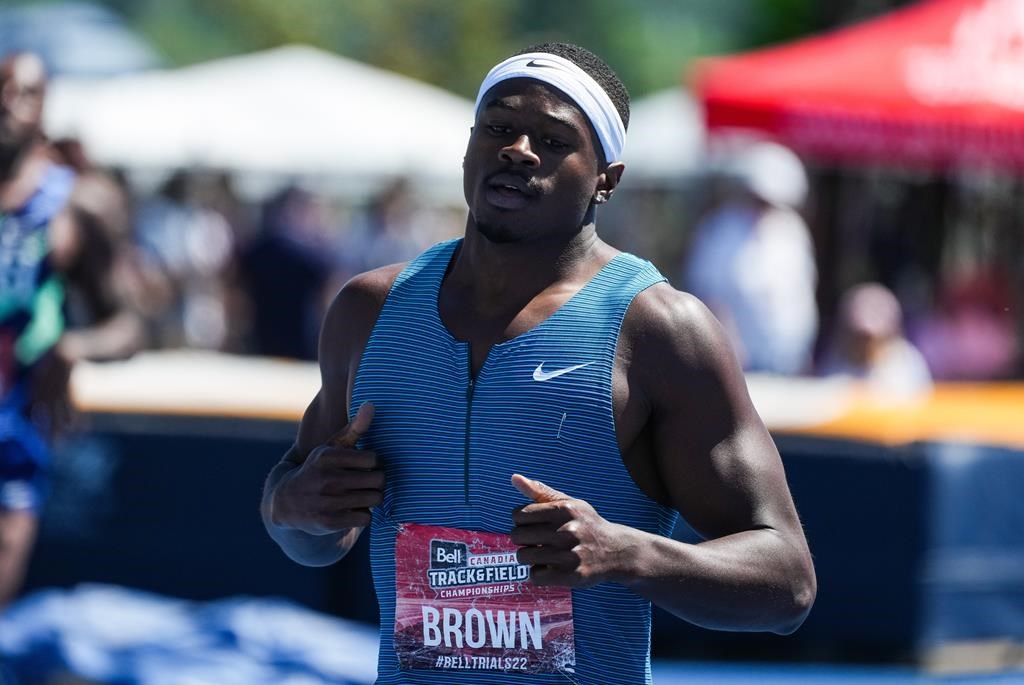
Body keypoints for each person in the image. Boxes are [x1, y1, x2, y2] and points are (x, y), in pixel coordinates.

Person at [262, 43, 815, 684]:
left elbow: (788, 584)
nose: (519, 149)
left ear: (607, 178)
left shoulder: (660, 330)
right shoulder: (369, 311)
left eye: (553, 140)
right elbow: (305, 532)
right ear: (469, 146)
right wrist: (297, 506)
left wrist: (628, 554)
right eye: (498, 127)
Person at [0, 52, 144, 608]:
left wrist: (72, 347)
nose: (7, 106)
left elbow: (131, 324)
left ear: (44, 110)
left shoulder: (70, 208)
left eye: (24, 94)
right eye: (0, 89)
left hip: (13, 445)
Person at [682, 141, 818, 375]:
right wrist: (726, 344)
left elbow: (801, 292)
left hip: (788, 356)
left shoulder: (792, 229)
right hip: (740, 357)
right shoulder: (722, 228)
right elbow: (709, 293)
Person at [820, 282, 932, 400]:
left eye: (872, 338)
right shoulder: (836, 361)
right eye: (861, 337)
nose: (867, 342)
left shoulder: (906, 362)